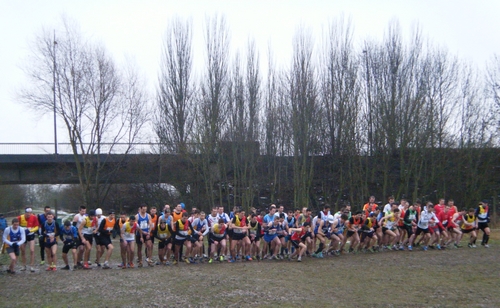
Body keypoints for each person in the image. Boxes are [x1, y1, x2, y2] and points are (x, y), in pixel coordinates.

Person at [18, 207, 39, 272]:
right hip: (23, 236)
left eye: (30, 213)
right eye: (27, 213)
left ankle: (32, 266)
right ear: (25, 212)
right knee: (23, 250)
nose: (29, 214)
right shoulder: (20, 217)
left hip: (31, 235)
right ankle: (24, 265)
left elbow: (37, 227)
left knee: (32, 250)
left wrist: (30, 231)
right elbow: (16, 225)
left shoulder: (34, 217)